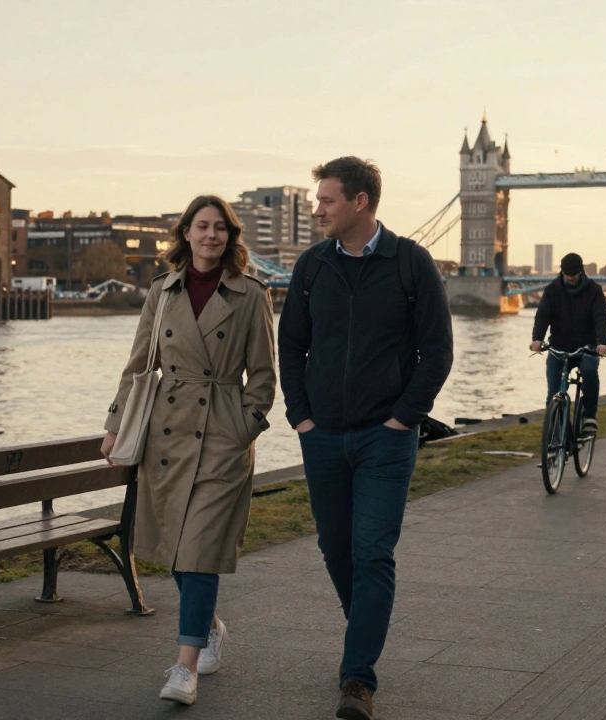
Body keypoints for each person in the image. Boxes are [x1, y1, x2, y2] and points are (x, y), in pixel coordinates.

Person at [278, 157, 453, 720]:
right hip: (322, 435)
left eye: (326, 200)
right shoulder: (310, 268)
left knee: (372, 553)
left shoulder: (411, 264)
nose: (318, 209)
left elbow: (437, 350)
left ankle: (358, 679)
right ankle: (366, 634)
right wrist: (300, 417)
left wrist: (404, 417)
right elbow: (291, 346)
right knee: (336, 550)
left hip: (386, 439)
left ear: (359, 202)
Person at [100, 195, 276, 707]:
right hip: (167, 435)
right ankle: (209, 626)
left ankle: (184, 667)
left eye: (221, 228)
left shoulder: (250, 296)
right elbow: (138, 365)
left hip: (221, 438)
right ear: (186, 233)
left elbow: (263, 378)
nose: (211, 236)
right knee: (175, 550)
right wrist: (115, 424)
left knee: (198, 552)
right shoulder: (163, 291)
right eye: (202, 226)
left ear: (230, 236)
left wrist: (242, 430)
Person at [529, 253, 606, 434]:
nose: (571, 278)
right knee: (553, 394)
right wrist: (537, 339)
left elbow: (601, 318)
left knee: (589, 372)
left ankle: (589, 417)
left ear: (581, 272)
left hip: (587, 347)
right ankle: (557, 437)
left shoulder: (594, 291)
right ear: (562, 272)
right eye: (567, 274)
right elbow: (542, 316)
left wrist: (603, 343)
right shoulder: (552, 290)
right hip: (559, 346)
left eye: (574, 274)